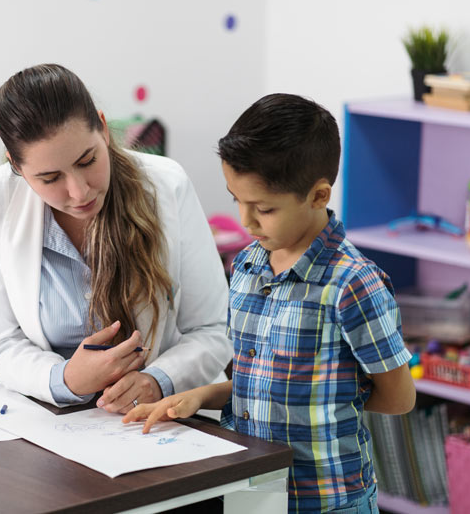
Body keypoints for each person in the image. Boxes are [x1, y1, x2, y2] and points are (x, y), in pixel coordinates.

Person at [124, 94, 416, 513]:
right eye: (236, 200)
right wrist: (201, 396)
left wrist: (324, 398)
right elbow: (261, 383)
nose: (245, 220)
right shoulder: (246, 266)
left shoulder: (354, 284)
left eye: (263, 208)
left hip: (326, 500)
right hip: (252, 490)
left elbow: (399, 397)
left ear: (318, 196)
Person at [0, 63, 232, 413]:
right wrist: (65, 380)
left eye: (87, 160)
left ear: (103, 128)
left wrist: (158, 380)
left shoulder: (167, 184)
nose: (79, 191)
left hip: (160, 416)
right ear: (16, 165)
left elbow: (212, 329)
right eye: (50, 177)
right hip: (53, 418)